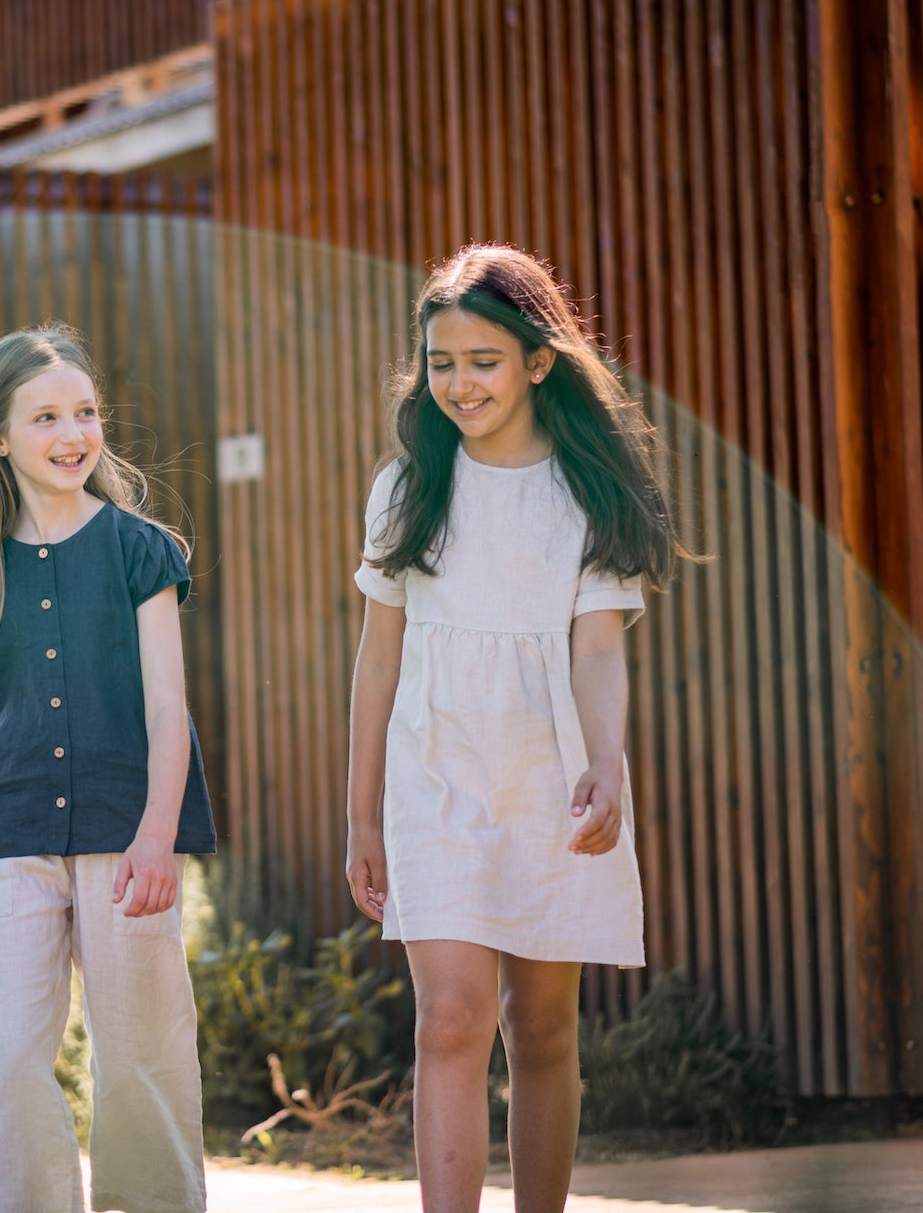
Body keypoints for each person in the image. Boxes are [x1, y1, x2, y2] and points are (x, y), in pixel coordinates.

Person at [344, 245, 690, 1212]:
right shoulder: (406, 488)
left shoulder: (589, 494)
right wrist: (361, 816)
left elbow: (597, 652)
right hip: (435, 776)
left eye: (482, 361)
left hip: (551, 779)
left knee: (540, 1030)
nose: (458, 383)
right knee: (450, 1020)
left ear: (538, 361)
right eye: (440, 363)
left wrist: (608, 765)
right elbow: (378, 659)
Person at [0, 323, 215, 1213]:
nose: (73, 434)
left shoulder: (141, 549)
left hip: (127, 831)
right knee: (14, 1058)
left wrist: (157, 839)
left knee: (140, 1058)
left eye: (86, 412)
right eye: (46, 416)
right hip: (14, 830)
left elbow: (170, 709)